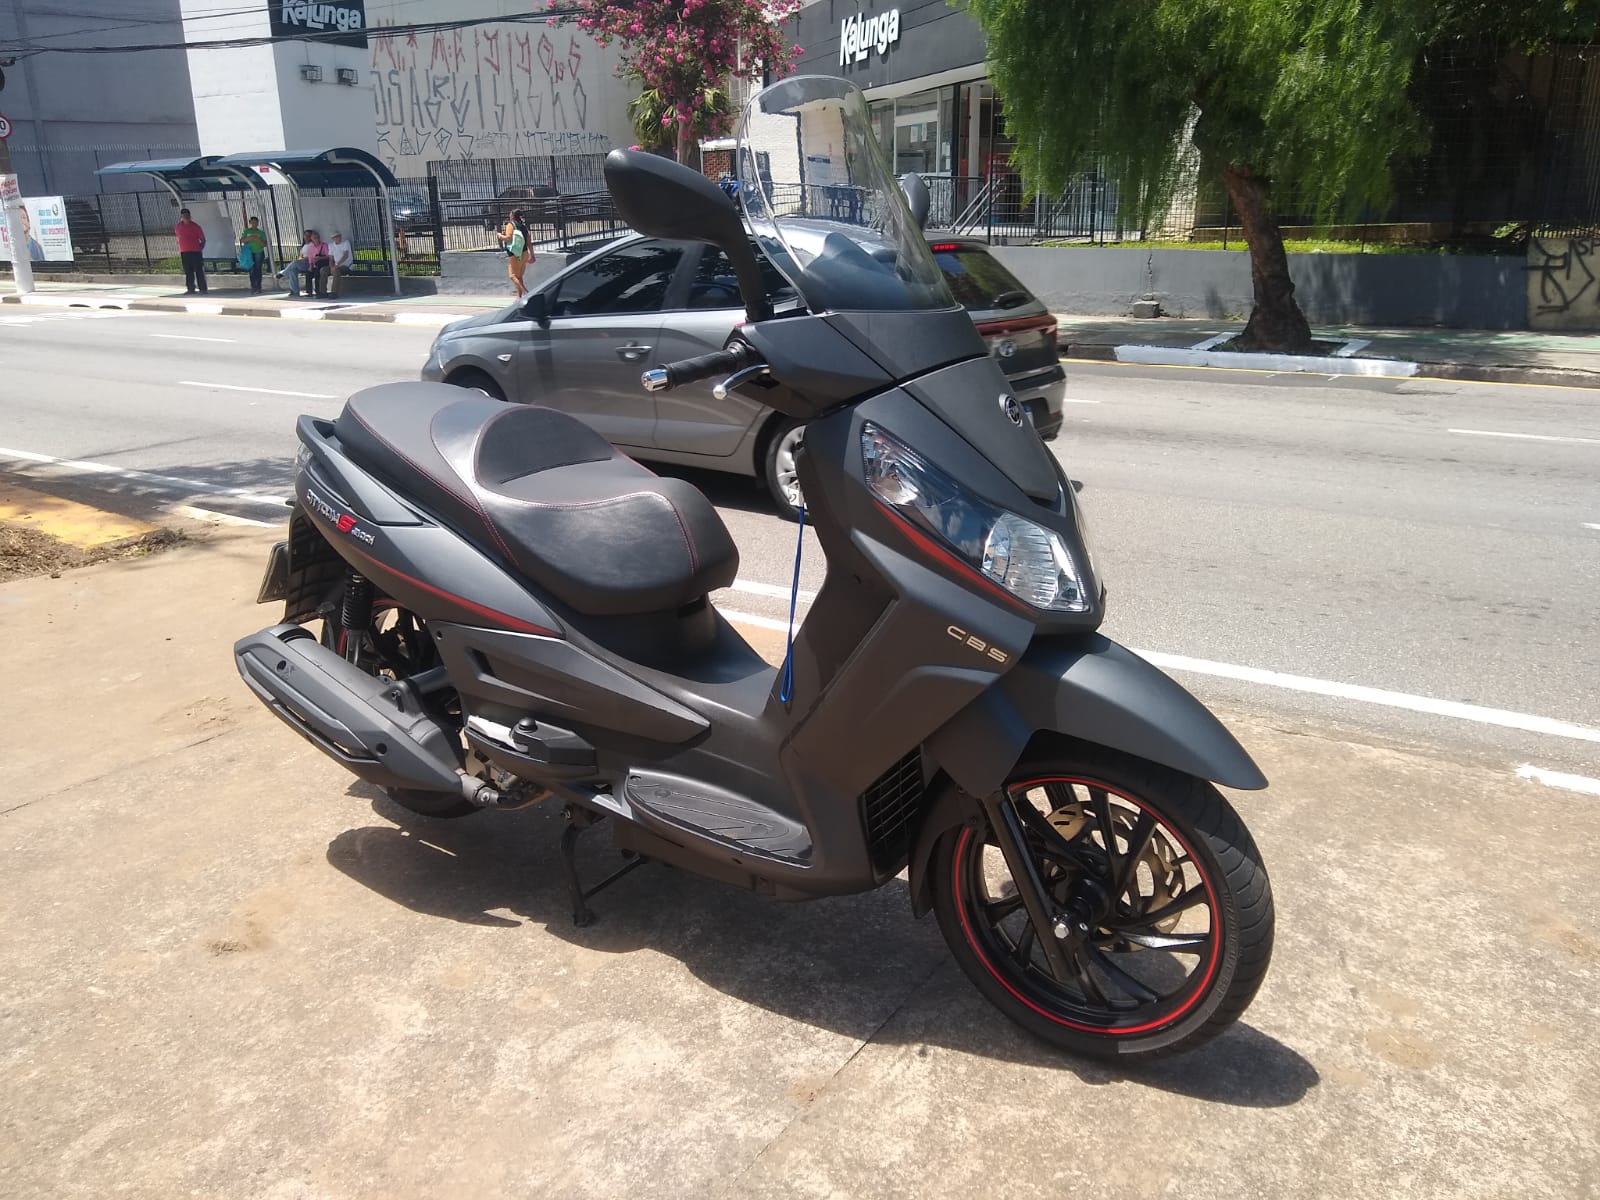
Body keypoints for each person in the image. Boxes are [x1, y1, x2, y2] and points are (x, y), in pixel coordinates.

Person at [499, 207, 534, 299]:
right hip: (525, 253)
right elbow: (529, 242)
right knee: (519, 276)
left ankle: (526, 292)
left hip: (515, 254)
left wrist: (500, 236)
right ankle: (519, 296)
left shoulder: (510, 225)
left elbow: (508, 238)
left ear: (513, 216)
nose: (509, 215)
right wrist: (532, 255)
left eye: (510, 214)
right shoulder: (523, 226)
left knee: (512, 276)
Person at [282, 230, 326, 298]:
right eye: (305, 235)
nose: (307, 237)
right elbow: (302, 256)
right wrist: (301, 259)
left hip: (309, 262)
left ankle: (283, 273)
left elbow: (311, 256)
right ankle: (295, 292)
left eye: (309, 235)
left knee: (295, 262)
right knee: (292, 270)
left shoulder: (313, 245)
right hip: (304, 262)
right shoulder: (305, 245)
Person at [174, 207, 207, 293]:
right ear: (181, 217)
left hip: (195, 251)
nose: (186, 217)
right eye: (184, 216)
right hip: (184, 252)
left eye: (187, 216)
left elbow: (203, 239)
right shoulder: (178, 227)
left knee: (199, 270)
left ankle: (203, 288)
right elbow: (178, 237)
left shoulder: (195, 226)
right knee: (188, 271)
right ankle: (190, 288)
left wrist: (199, 248)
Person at [237, 216, 269, 294]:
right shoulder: (247, 231)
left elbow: (264, 244)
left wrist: (257, 239)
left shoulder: (261, 233)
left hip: (258, 252)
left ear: (258, 223)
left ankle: (258, 286)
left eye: (256, 222)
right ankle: (253, 286)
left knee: (258, 269)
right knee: (251, 270)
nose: (254, 224)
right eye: (252, 222)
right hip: (249, 253)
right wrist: (251, 237)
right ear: (250, 223)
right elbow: (242, 240)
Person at [324, 230, 354, 297]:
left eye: (339, 236)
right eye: (336, 237)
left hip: (346, 266)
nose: (338, 238)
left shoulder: (346, 243)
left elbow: (345, 256)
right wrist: (331, 267)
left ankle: (334, 292)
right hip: (335, 266)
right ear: (333, 239)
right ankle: (322, 292)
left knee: (336, 271)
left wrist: (336, 266)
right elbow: (331, 259)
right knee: (323, 270)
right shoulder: (331, 245)